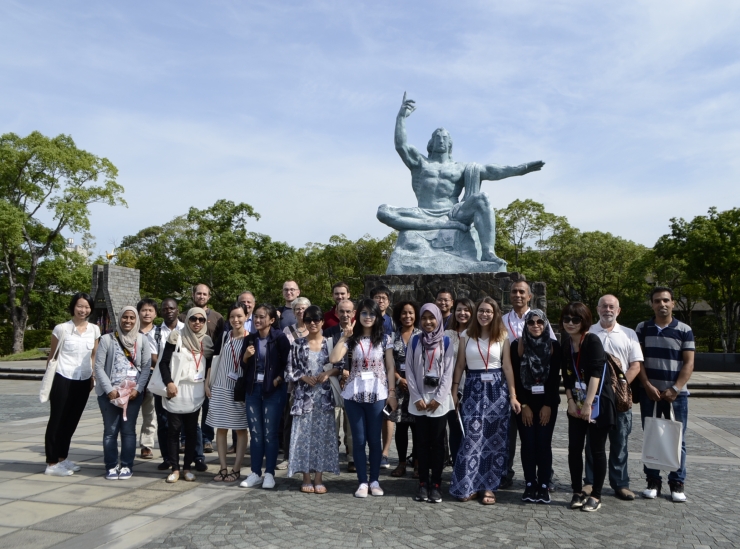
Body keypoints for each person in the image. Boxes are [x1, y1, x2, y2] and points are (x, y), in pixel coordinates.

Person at [377, 93, 544, 265]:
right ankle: (436, 225)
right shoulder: (420, 163)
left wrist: (518, 170)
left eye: (445, 138)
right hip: (422, 212)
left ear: (450, 144)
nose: (441, 140)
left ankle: (487, 252)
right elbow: (401, 145)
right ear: (431, 143)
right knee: (383, 211)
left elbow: (490, 170)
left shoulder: (461, 167)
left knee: (483, 199)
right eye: (437, 138)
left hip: (453, 213)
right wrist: (401, 117)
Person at [449, 297, 521, 504]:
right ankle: (468, 485)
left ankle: (489, 486)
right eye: (481, 310)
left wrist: (513, 395)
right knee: (471, 438)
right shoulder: (466, 335)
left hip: (497, 390)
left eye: (488, 311)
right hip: (473, 388)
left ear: (495, 313)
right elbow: (461, 365)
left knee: (494, 441)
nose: (484, 314)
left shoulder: (503, 336)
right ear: (475, 313)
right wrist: (455, 391)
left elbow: (507, 367)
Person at [329, 299, 397, 498]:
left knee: (374, 440)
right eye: (364, 313)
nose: (368, 317)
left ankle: (374, 480)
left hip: (377, 392)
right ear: (358, 316)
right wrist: (344, 337)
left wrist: (391, 393)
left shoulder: (385, 339)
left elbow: (391, 367)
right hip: (354, 392)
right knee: (358, 440)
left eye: (372, 314)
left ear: (377, 317)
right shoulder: (351, 338)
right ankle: (362, 482)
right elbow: (334, 358)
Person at [636, 287, 694, 503]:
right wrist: (646, 384)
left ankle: (677, 482)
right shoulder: (643, 328)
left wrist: (675, 388)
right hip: (649, 393)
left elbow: (689, 363)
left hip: (676, 395)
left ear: (673, 303)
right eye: (657, 301)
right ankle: (652, 481)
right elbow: (638, 360)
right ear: (651, 304)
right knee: (651, 435)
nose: (662, 304)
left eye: (666, 300)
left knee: (678, 438)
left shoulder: (684, 329)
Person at [585, 294, 643, 500]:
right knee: (593, 443)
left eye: (612, 307)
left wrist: (620, 385)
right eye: (603, 306)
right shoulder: (588, 332)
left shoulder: (628, 334)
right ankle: (590, 482)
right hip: (596, 397)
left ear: (618, 311)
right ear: (597, 308)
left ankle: (620, 483)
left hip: (619, 398)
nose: (607, 310)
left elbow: (636, 364)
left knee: (620, 442)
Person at [502, 278, 556, 489]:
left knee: (539, 438)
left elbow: (551, 351)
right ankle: (506, 472)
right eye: (514, 291)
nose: (518, 295)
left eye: (522, 292)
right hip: (511, 383)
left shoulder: (539, 319)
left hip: (538, 385)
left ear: (529, 296)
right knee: (509, 434)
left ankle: (545, 476)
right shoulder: (502, 320)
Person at [561, 302, 616, 512]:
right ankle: (577, 491)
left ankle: (596, 495)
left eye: (576, 319)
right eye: (567, 319)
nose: (570, 323)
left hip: (598, 402)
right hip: (577, 402)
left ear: (584, 321)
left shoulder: (592, 340)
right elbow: (566, 376)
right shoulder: (566, 343)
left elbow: (596, 373)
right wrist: (571, 402)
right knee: (574, 448)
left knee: (596, 450)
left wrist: (588, 404)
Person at [44, 292, 101, 476]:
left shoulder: (94, 330)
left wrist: (92, 377)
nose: (83, 310)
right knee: (57, 420)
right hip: (62, 377)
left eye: (87, 306)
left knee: (72, 420)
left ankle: (62, 457)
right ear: (73, 306)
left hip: (83, 380)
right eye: (80, 306)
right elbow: (52, 357)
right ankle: (52, 463)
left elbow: (94, 355)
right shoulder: (61, 329)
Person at [285, 306, 341, 492]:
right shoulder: (297, 344)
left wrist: (328, 372)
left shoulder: (330, 343)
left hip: (324, 397)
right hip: (304, 398)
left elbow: (340, 366)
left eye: (316, 319)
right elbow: (289, 369)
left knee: (322, 438)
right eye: (308, 320)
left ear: (323, 321)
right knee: (303, 437)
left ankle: (319, 477)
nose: (313, 323)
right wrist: (302, 376)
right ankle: (306, 477)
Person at [94, 306, 152, 480]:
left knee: (128, 431)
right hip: (110, 394)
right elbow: (98, 366)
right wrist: (109, 390)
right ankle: (111, 466)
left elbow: (146, 367)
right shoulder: (107, 339)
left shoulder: (142, 340)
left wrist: (137, 389)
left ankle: (126, 465)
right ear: (119, 319)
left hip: (132, 394)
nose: (128, 321)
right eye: (125, 317)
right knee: (110, 431)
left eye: (132, 318)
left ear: (136, 320)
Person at [406, 303, 455, 504]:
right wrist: (416, 397)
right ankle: (423, 483)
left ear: (438, 319)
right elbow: (408, 369)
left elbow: (449, 372)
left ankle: (436, 483)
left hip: (438, 402)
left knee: (438, 444)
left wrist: (438, 398)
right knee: (422, 444)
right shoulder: (415, 341)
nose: (428, 322)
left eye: (431, 318)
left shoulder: (446, 341)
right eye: (424, 318)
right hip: (419, 401)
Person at [510, 309, 561, 504]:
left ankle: (544, 484)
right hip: (526, 403)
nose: (536, 325)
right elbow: (514, 376)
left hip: (547, 403)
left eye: (540, 322)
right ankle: (530, 483)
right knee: (528, 443)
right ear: (526, 325)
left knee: (543, 443)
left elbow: (555, 379)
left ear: (546, 323)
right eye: (531, 323)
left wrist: (548, 404)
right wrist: (524, 404)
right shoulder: (518, 345)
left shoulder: (553, 345)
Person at [158, 307, 214, 483]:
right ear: (188, 320)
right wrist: (169, 383)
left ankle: (187, 467)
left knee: (191, 431)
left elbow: (211, 367)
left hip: (196, 392)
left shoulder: (207, 341)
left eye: (201, 319)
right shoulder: (176, 336)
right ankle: (175, 468)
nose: (197, 322)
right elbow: (163, 363)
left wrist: (207, 385)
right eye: (193, 319)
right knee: (173, 430)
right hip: (177, 390)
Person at [239, 304, 291, 489]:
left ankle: (269, 473)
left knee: (270, 434)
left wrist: (278, 379)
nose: (258, 320)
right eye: (256, 317)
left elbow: (288, 363)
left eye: (262, 317)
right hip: (253, 390)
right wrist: (245, 356)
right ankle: (255, 473)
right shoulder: (250, 339)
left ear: (271, 320)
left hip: (273, 391)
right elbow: (243, 367)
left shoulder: (280, 338)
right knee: (256, 434)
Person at [205, 303, 251, 483]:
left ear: (246, 317)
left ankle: (236, 468)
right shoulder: (225, 336)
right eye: (232, 316)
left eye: (239, 316)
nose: (236, 320)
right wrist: (207, 383)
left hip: (239, 390)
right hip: (220, 387)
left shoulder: (251, 339)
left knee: (240, 429)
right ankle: (223, 467)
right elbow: (213, 360)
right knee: (221, 428)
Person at [179, 283, 224, 456]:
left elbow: (220, 343)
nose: (202, 296)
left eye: (205, 294)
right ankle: (185, 438)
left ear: (209, 296)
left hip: (208, 366)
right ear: (193, 295)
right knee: (187, 405)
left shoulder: (218, 317)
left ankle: (206, 438)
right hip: (188, 367)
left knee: (208, 405)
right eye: (199, 293)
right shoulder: (184, 316)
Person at [388, 300, 421, 479]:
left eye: (410, 313)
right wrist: (399, 379)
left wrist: (414, 382)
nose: (407, 316)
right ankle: (401, 463)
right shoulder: (392, 338)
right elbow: (389, 363)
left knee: (417, 429)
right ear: (398, 316)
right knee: (401, 428)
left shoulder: (422, 336)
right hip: (399, 386)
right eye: (403, 313)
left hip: (418, 388)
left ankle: (417, 463)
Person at [278, 296, 311, 470]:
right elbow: (283, 357)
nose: (300, 311)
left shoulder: (315, 329)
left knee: (309, 421)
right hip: (292, 383)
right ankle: (288, 456)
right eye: (297, 309)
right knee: (289, 421)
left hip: (312, 383)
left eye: (303, 308)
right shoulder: (287, 331)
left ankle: (307, 456)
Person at [323, 298, 356, 472]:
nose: (345, 315)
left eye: (348, 311)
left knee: (352, 425)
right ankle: (331, 457)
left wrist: (350, 375)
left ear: (354, 313)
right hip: (333, 382)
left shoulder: (359, 332)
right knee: (332, 423)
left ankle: (352, 458)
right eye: (341, 311)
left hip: (355, 383)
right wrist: (342, 372)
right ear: (336, 313)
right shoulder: (329, 332)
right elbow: (326, 358)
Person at [443, 297, 475, 467]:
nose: (462, 313)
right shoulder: (447, 335)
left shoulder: (477, 335)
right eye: (459, 310)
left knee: (471, 431)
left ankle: (470, 468)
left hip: (474, 386)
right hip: (452, 388)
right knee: (455, 429)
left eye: (466, 310)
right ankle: (457, 467)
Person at [153, 298, 184, 471]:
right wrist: (168, 375)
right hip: (163, 380)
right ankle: (168, 458)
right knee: (164, 422)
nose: (169, 311)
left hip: (183, 381)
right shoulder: (156, 332)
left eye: (172, 308)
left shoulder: (186, 329)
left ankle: (196, 457)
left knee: (187, 422)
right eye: (165, 308)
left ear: (177, 310)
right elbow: (153, 356)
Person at [370, 285, 395, 469]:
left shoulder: (392, 323)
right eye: (377, 297)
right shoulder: (365, 319)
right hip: (367, 375)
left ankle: (385, 453)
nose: (380, 301)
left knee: (387, 416)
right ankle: (372, 451)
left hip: (386, 374)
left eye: (383, 298)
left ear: (388, 301)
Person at [136, 298, 159, 460]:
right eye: (144, 310)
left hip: (152, 376)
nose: (147, 313)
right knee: (130, 412)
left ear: (155, 314)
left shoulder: (159, 332)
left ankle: (146, 445)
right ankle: (128, 442)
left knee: (150, 413)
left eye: (150, 310)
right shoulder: (131, 330)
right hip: (133, 376)